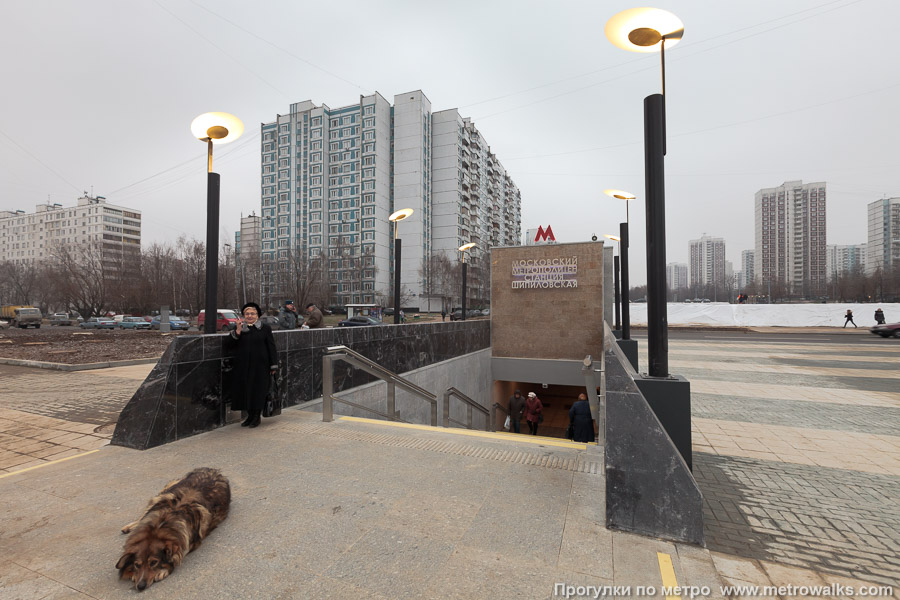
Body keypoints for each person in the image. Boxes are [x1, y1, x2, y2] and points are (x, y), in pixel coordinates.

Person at [227, 302, 277, 429]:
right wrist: (237, 331)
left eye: (252, 313)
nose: (249, 316)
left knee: (258, 391)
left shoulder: (264, 328)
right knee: (245, 391)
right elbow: (229, 345)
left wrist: (273, 365)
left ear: (257, 315)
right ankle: (249, 416)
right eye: (247, 314)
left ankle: (256, 417)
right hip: (243, 366)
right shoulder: (240, 328)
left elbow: (271, 346)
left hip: (260, 366)